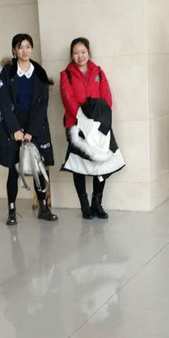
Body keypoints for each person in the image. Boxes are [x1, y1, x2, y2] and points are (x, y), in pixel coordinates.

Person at [0, 33, 58, 225]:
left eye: (28, 46)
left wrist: (31, 131)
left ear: (31, 48)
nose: (25, 51)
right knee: (13, 168)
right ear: (14, 50)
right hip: (13, 123)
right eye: (20, 47)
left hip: (35, 124)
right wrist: (15, 130)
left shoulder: (39, 72)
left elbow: (42, 104)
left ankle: (44, 208)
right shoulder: (7, 72)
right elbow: (3, 101)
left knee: (38, 166)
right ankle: (12, 211)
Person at [59, 37, 125, 219]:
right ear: (71, 55)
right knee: (78, 164)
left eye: (83, 52)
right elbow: (68, 98)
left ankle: (97, 204)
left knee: (102, 161)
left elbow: (107, 98)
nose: (80, 56)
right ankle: (84, 205)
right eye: (76, 53)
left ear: (88, 52)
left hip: (98, 125)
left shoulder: (98, 72)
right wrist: (83, 119)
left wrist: (98, 121)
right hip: (76, 125)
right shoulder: (66, 75)